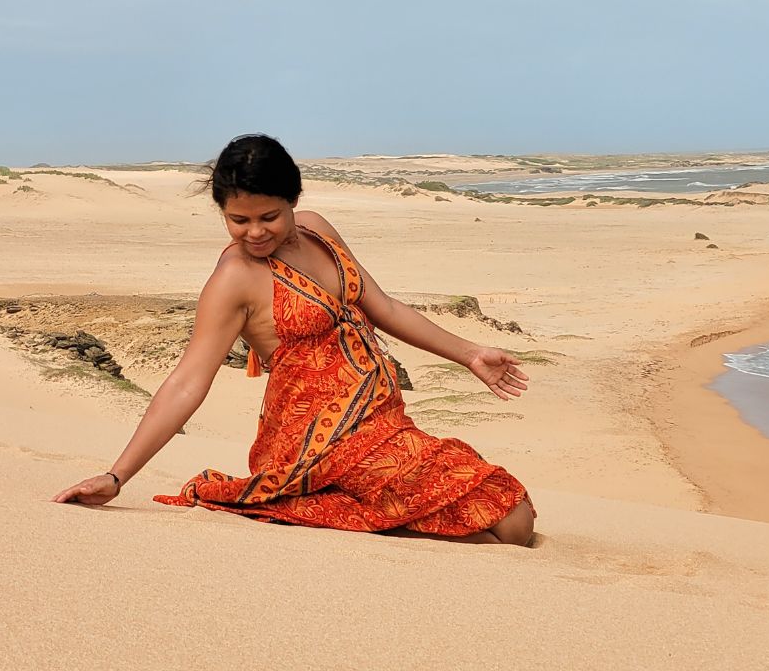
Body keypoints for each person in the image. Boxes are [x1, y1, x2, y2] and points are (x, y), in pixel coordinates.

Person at [52, 134, 535, 545]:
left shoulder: (318, 231)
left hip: (381, 423)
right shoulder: (233, 279)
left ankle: (342, 510)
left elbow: (383, 308)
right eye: (239, 220)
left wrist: (469, 354)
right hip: (315, 443)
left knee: (512, 510)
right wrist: (117, 476)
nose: (256, 232)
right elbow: (186, 383)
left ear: (294, 200)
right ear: (222, 212)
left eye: (270, 216)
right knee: (506, 523)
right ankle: (317, 504)